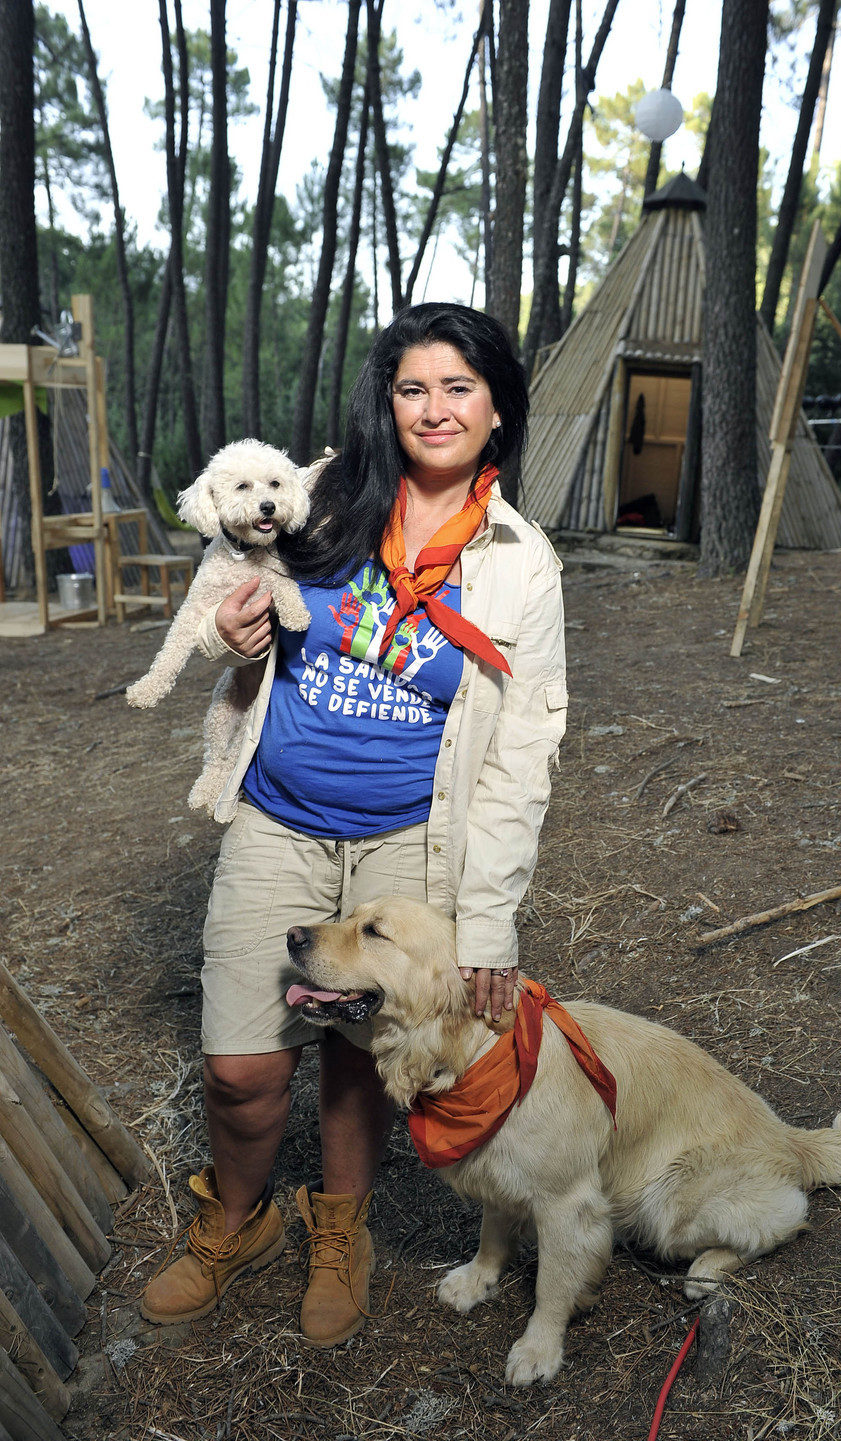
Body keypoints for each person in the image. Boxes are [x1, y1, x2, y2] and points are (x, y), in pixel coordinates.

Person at [140, 302, 567, 1348]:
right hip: (278, 820)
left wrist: (488, 929)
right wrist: (231, 637)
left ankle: (341, 1230)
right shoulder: (318, 496)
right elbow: (228, 609)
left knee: (353, 1054)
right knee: (242, 1068)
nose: (433, 408)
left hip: (406, 846)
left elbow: (520, 756)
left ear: (498, 409)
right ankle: (232, 1220)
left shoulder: (520, 562)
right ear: (388, 399)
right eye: (412, 386)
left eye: (458, 387)